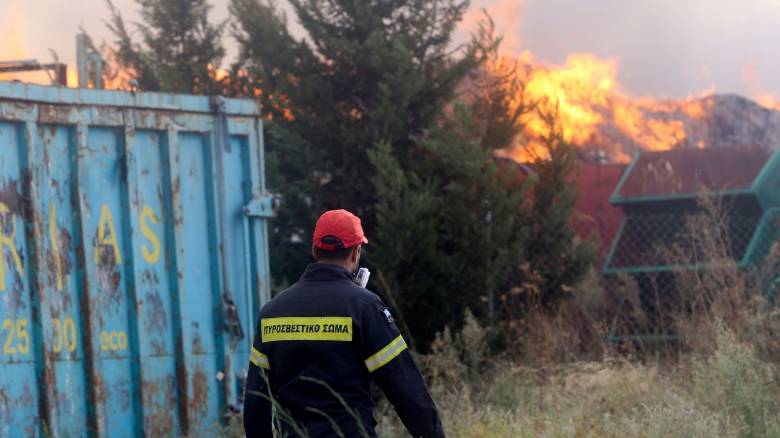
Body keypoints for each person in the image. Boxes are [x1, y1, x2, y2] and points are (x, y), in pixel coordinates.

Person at [243, 209, 445, 437]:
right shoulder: (365, 307)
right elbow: (406, 390)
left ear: (314, 250)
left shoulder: (272, 312)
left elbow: (255, 403)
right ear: (355, 252)